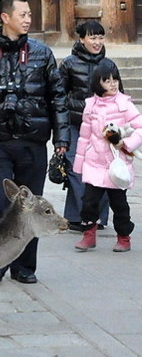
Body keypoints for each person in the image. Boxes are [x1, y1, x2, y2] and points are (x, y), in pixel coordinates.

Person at [0, 0, 69, 285]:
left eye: (30, 15)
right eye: (23, 15)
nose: (28, 20)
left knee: (31, 206)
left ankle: (24, 266)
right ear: (5, 18)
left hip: (33, 140)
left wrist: (62, 139)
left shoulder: (42, 53)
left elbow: (57, 98)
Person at [72, 59, 142, 253]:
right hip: (94, 163)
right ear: (97, 83)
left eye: (115, 80)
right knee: (88, 202)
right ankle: (88, 235)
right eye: (107, 80)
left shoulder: (124, 104)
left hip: (116, 165)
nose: (113, 84)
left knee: (119, 205)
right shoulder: (91, 105)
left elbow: (140, 127)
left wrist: (125, 143)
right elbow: (84, 135)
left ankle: (124, 237)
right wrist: (79, 163)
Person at [58, 20, 112, 232]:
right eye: (92, 37)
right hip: (75, 124)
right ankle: (78, 215)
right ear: (81, 39)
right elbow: (59, 96)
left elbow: (119, 96)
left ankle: (97, 217)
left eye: (100, 37)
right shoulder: (68, 64)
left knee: (105, 169)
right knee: (76, 170)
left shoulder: (108, 65)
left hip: (102, 127)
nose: (97, 42)